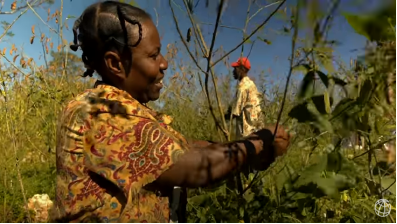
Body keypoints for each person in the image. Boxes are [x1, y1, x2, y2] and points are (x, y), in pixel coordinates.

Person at [52, 1, 290, 223]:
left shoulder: (129, 110)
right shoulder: (99, 113)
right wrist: (258, 143)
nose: (164, 63)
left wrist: (254, 150)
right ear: (115, 64)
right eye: (153, 55)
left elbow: (189, 147)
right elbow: (194, 166)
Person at [227, 57, 263, 138]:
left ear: (242, 69)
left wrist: (222, 120)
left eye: (235, 69)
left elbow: (235, 112)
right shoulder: (251, 84)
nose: (233, 72)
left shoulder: (242, 87)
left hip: (246, 134)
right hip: (256, 131)